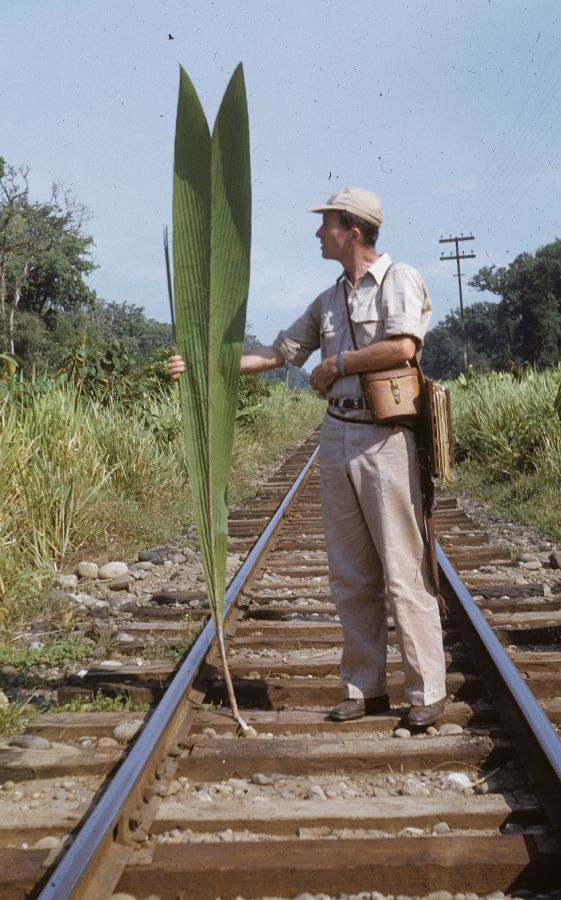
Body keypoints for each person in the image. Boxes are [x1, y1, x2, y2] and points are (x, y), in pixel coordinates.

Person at [168, 187, 447, 728]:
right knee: (349, 573)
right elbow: (277, 355)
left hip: (384, 437)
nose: (319, 233)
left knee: (402, 569)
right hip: (338, 433)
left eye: (328, 224)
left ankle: (426, 691)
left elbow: (404, 347)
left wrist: (337, 361)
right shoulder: (328, 299)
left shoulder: (399, 279)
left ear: (355, 230)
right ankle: (364, 688)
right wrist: (205, 363)